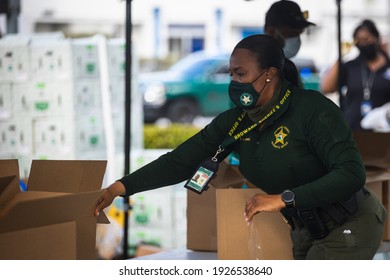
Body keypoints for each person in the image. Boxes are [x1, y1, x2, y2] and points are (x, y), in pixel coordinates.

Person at [96, 34, 387, 260]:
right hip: (305, 229)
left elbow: (351, 174)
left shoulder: (312, 110)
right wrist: (119, 188)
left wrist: (282, 198)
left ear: (270, 74)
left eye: (241, 74)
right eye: (232, 75)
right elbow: (181, 160)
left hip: (349, 222)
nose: (234, 83)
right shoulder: (235, 121)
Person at [321, 19, 390, 131]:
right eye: (359, 41)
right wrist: (340, 56)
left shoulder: (387, 66)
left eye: (367, 39)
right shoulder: (351, 66)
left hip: (383, 132)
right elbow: (326, 88)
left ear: (376, 38)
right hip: (352, 130)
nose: (364, 44)